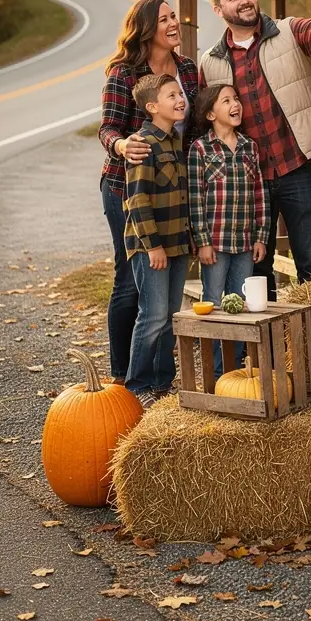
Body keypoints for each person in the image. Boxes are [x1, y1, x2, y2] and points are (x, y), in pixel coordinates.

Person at [200, 0, 311, 297]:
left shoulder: (288, 31)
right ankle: (268, 347)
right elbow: (206, 122)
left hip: (299, 167)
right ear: (218, 10)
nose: (244, 1)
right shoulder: (210, 63)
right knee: (255, 270)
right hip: (249, 181)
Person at [99, 0, 198, 383]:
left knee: (165, 297)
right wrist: (122, 146)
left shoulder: (186, 70)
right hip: (127, 181)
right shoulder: (124, 74)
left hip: (174, 184)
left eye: (175, 16)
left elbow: (193, 127)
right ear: (145, 28)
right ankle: (124, 375)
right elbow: (107, 127)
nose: (174, 23)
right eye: (164, 19)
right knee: (130, 279)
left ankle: (159, 376)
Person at [188, 83, 269, 373]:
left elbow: (260, 193)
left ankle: (233, 371)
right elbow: (196, 199)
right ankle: (214, 372)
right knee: (214, 303)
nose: (235, 104)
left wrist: (261, 237)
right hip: (216, 244)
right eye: (226, 101)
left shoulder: (249, 147)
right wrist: (203, 241)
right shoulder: (200, 149)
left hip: (245, 243)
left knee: (241, 307)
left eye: (236, 99)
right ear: (211, 113)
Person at [123, 73, 191, 407]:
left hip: (177, 244)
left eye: (180, 93)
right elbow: (137, 201)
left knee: (169, 316)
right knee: (152, 316)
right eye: (171, 95)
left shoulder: (176, 140)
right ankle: (136, 385)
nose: (180, 99)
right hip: (151, 247)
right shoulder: (142, 144)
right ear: (152, 106)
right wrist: (153, 247)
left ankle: (163, 382)